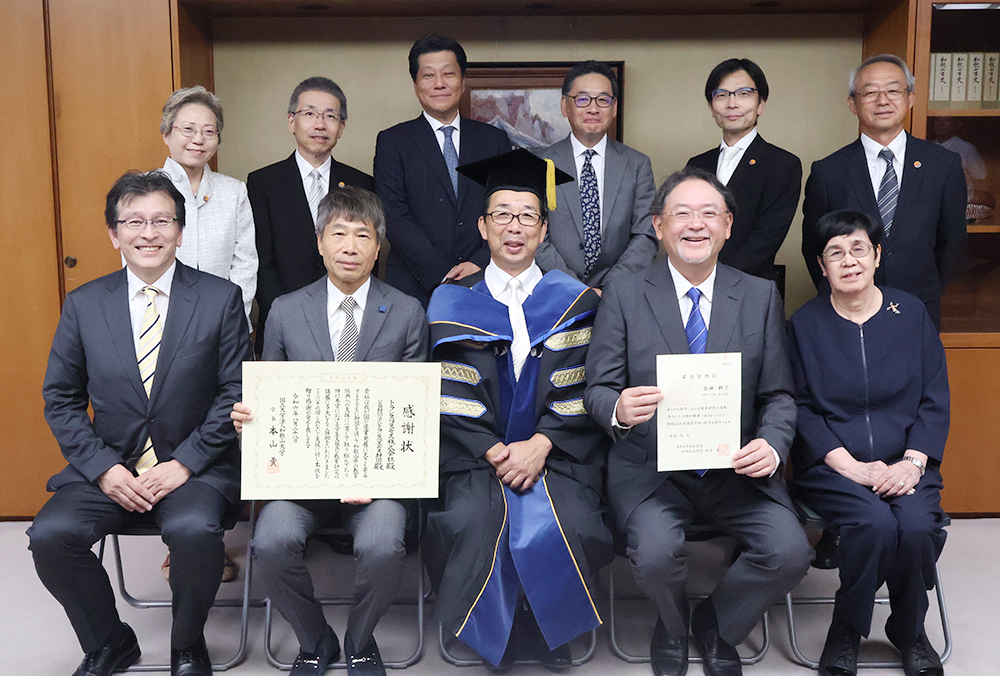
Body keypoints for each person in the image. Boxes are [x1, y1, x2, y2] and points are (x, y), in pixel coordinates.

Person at [585, 167, 811, 676]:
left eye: (708, 213)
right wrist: (618, 409)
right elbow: (595, 389)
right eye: (681, 214)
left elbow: (778, 394)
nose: (695, 224)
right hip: (651, 468)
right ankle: (672, 623)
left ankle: (717, 624)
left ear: (728, 226)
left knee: (790, 552)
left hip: (734, 468)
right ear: (658, 226)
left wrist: (772, 447)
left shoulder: (758, 296)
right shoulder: (625, 293)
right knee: (656, 556)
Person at [27, 170, 251, 676]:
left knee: (195, 531)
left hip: (196, 466)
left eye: (161, 221)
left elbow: (235, 393)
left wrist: (185, 464)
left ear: (180, 229)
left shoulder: (220, 299)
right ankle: (109, 641)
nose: (148, 233)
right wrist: (104, 468)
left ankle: (188, 643)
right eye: (134, 221)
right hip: (112, 467)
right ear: (114, 233)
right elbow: (60, 398)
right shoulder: (85, 304)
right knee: (50, 535)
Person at [424, 149, 613, 669]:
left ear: (543, 229)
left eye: (527, 215)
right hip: (473, 457)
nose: (514, 227)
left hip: (556, 455)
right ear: (483, 227)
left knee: (574, 519)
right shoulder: (449, 303)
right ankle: (498, 629)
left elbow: (585, 387)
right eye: (502, 215)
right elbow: (445, 394)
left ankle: (542, 624)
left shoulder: (576, 300)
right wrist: (494, 451)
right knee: (473, 518)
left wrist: (542, 444)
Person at [232, 186, 427, 676]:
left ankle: (360, 639)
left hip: (377, 478)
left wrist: (377, 477)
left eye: (363, 235)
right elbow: (268, 393)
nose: (350, 245)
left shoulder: (406, 311)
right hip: (299, 477)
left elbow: (417, 412)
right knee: (270, 543)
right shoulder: (283, 310)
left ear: (378, 247)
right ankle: (314, 637)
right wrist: (249, 420)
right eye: (338, 233)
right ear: (319, 242)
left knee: (384, 546)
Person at [788, 210, 948, 676]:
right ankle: (847, 628)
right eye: (835, 253)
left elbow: (935, 396)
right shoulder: (804, 325)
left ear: (877, 255)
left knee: (918, 526)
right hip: (833, 468)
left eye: (859, 248)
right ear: (822, 266)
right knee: (875, 525)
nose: (849, 260)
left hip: (906, 462)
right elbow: (799, 406)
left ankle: (909, 628)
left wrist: (913, 463)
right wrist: (850, 466)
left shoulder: (911, 314)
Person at [802, 54, 967, 330]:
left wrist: (926, 287)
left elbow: (952, 241)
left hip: (918, 308)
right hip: (846, 310)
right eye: (870, 93)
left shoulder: (943, 165)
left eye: (893, 90)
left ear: (911, 98)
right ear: (852, 103)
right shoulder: (827, 171)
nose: (883, 100)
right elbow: (813, 247)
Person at [374, 34, 512, 307]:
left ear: (462, 81)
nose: (439, 83)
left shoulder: (493, 140)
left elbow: (506, 208)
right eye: (428, 76)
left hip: (485, 277)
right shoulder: (393, 141)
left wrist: (480, 262)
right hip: (413, 284)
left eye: (448, 74)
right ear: (415, 85)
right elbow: (393, 215)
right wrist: (443, 273)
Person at [249, 77, 375, 354]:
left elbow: (367, 256)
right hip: (283, 323)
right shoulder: (263, 183)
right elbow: (261, 261)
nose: (320, 124)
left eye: (330, 116)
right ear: (292, 121)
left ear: (341, 127)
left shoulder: (362, 182)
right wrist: (285, 317)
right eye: (310, 114)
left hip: (349, 324)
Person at [534, 60, 657, 290]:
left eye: (603, 100)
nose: (593, 108)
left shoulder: (637, 164)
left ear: (615, 107)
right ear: (564, 105)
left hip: (619, 292)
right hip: (554, 292)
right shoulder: (540, 164)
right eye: (582, 99)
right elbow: (534, 234)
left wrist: (610, 287)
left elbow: (646, 235)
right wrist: (574, 288)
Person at [686, 58, 801, 281]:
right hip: (693, 282)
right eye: (721, 95)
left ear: (761, 104)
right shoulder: (696, 164)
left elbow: (767, 238)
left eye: (744, 93)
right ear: (711, 107)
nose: (732, 104)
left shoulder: (782, 164)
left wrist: (717, 279)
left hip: (750, 285)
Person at [159, 86, 257, 324]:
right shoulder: (144, 190)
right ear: (166, 134)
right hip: (161, 321)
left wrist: (230, 319)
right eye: (188, 129)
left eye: (209, 131)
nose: (198, 140)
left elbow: (245, 264)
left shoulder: (234, 192)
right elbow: (135, 261)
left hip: (222, 322)